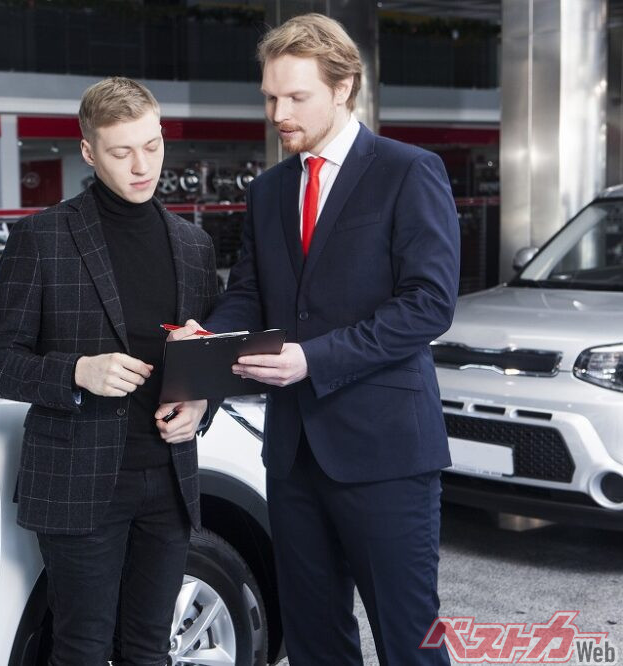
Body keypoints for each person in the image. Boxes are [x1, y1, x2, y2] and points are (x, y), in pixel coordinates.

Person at [171, 13, 459, 665]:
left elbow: (430, 305)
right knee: (312, 638)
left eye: (296, 97)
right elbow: (249, 291)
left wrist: (312, 358)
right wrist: (208, 335)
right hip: (293, 453)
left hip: (386, 453)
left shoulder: (407, 173)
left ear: (344, 87)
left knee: (409, 638)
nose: (279, 112)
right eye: (271, 97)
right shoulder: (269, 190)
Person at [0, 77, 219, 665]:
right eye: (121, 151)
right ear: (88, 152)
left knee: (148, 649)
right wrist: (77, 371)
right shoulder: (41, 238)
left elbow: (201, 356)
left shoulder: (193, 245)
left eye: (152, 146)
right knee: (81, 649)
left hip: (168, 479)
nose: (142, 166)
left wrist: (200, 405)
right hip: (78, 483)